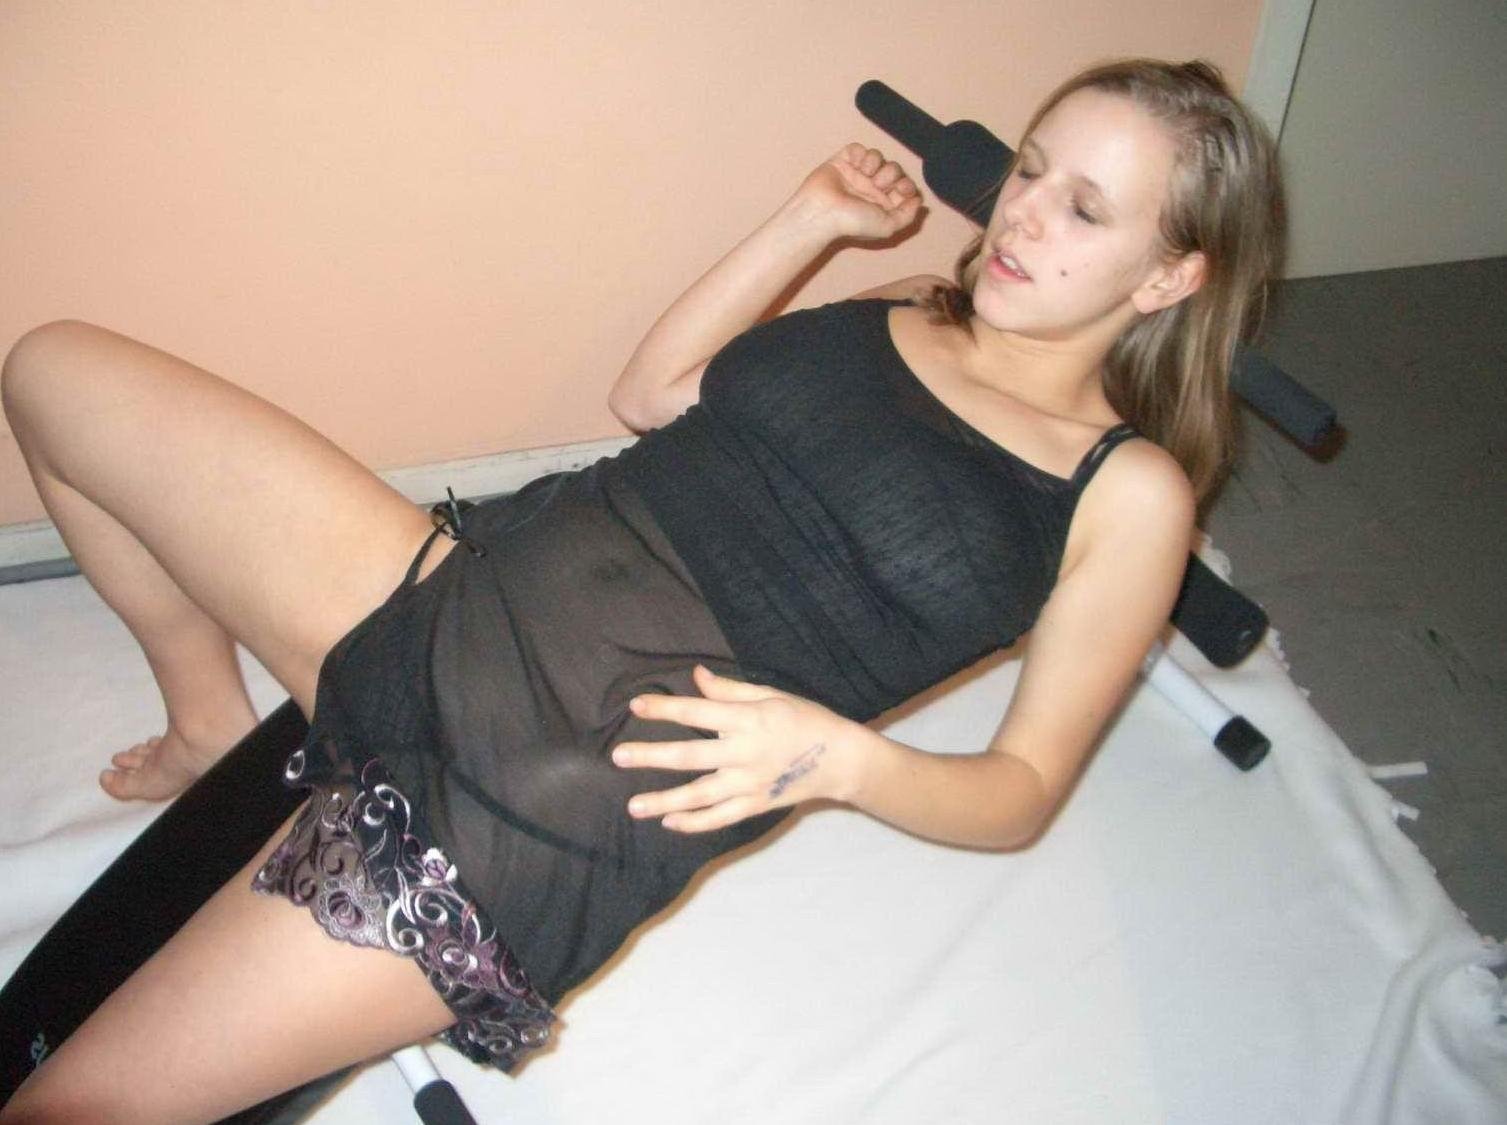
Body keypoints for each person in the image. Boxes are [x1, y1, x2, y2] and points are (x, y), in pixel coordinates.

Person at [0, 56, 1282, 1122]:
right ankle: (206, 724)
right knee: (55, 372)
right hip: (460, 585)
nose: (1021, 216)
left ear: (1169, 277)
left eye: (1084, 211)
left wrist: (839, 762)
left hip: (549, 794)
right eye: (1031, 170)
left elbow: (1021, 792)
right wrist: (808, 219)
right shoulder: (911, 305)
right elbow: (652, 394)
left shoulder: (1126, 493)